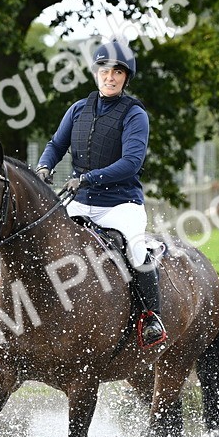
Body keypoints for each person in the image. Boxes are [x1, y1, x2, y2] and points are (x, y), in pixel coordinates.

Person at [36, 39, 166, 347]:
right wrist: (44, 167)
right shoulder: (79, 109)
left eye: (117, 72)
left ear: (125, 78)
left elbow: (132, 162)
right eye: (105, 70)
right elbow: (56, 145)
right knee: (40, 243)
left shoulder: (135, 114)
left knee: (135, 249)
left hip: (121, 204)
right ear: (96, 73)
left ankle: (151, 317)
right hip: (79, 203)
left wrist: (87, 178)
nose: (110, 77)